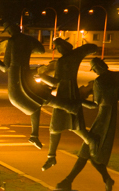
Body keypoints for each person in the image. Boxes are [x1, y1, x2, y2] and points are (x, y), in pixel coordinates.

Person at [53, 58, 119, 191]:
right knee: (90, 151)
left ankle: (70, 180)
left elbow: (94, 104)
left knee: (89, 149)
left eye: (94, 69)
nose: (94, 71)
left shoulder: (99, 82)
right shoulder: (117, 76)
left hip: (102, 118)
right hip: (111, 116)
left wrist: (78, 101)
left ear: (98, 67)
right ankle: (102, 179)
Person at [0, 23, 52, 148]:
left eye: (8, 31)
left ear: (10, 30)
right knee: (35, 102)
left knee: (30, 102)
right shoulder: (28, 39)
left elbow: (5, 67)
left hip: (16, 76)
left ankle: (34, 135)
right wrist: (27, 48)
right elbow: (41, 50)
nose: (9, 33)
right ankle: (34, 135)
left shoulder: (12, 41)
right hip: (26, 72)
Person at [39, 38, 99, 171]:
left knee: (58, 127)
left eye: (58, 47)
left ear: (63, 47)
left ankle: (52, 156)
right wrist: (84, 50)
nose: (58, 50)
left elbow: (55, 82)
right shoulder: (76, 55)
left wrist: (42, 76)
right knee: (64, 127)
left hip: (64, 94)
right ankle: (52, 157)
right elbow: (93, 47)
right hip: (71, 92)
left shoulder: (63, 60)